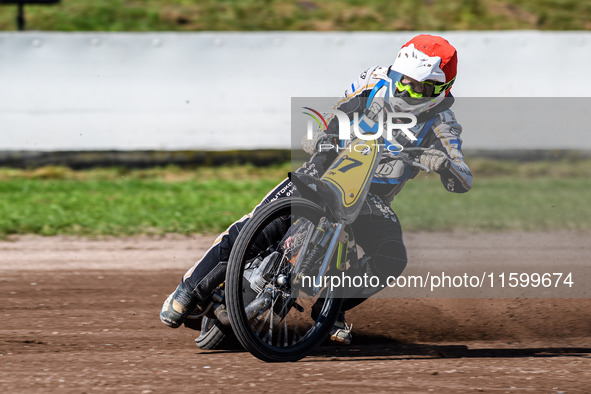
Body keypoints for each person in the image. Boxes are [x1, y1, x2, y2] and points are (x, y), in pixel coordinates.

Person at [160, 34, 472, 345]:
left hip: (371, 198)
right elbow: (338, 112)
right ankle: (187, 290)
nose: (407, 90)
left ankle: (330, 305)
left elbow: (463, 176)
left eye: (419, 86)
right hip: (330, 167)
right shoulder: (375, 80)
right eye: (403, 81)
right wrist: (325, 140)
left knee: (392, 256)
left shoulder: (443, 123)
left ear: (441, 90)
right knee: (260, 223)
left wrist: (444, 165)